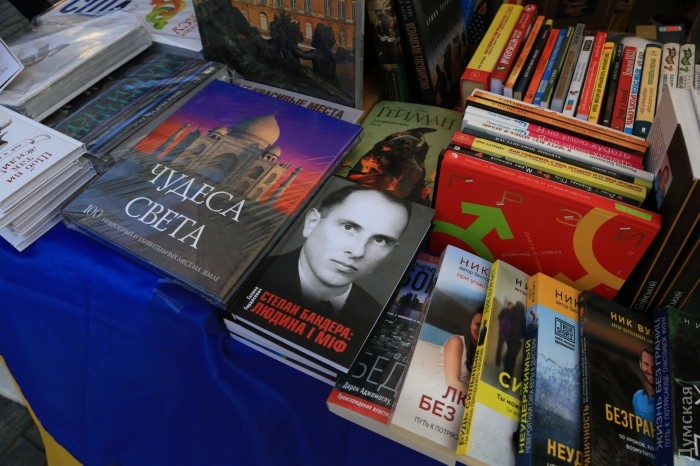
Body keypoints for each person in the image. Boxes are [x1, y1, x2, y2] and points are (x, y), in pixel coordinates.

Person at [255, 183, 411, 335]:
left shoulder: (375, 318)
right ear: (312, 223)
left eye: (380, 240)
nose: (357, 251)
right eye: (348, 227)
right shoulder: (253, 275)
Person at [441, 309, 483, 396]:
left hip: (460, 399)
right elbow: (452, 383)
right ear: (470, 325)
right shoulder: (456, 341)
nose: (480, 329)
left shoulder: (480, 353)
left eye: (484, 326)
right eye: (477, 324)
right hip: (441, 395)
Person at [632, 348, 655, 423]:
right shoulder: (637, 397)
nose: (651, 371)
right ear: (640, 364)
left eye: (655, 366)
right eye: (646, 364)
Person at [496, 300, 514, 367]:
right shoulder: (504, 310)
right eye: (510, 305)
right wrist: (502, 323)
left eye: (512, 306)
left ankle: (504, 359)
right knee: (499, 347)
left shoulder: (513, 313)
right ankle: (497, 363)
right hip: (502, 332)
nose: (511, 307)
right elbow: (499, 317)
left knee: (510, 348)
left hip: (508, 334)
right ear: (508, 305)